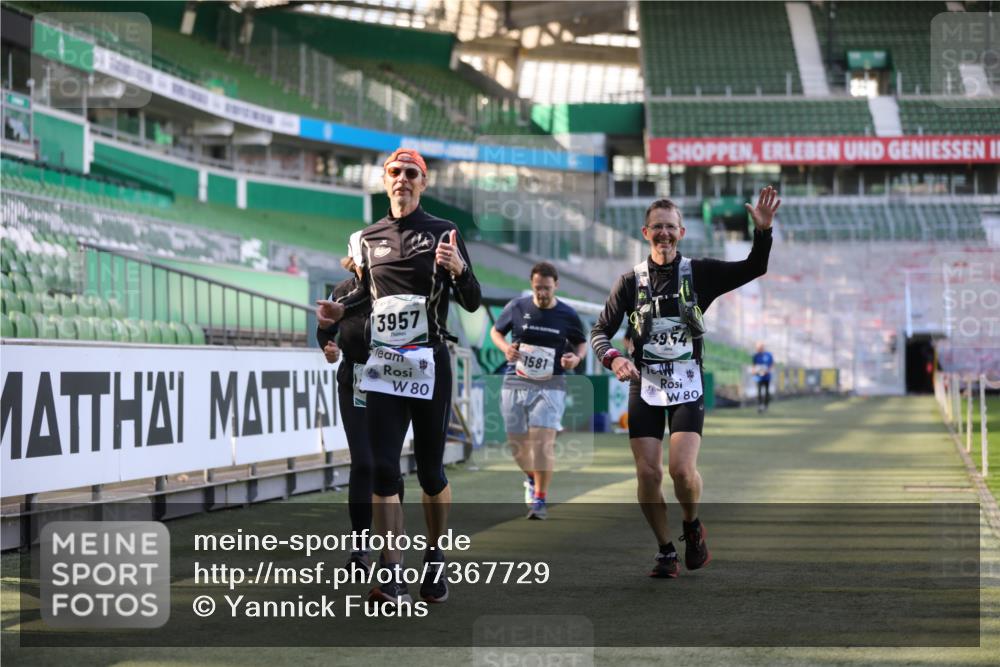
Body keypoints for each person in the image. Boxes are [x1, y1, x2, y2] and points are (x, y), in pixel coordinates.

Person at [316, 148, 481, 605]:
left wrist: (459, 270)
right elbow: (366, 298)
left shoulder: (444, 233)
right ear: (384, 179)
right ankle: (391, 571)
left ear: (423, 182)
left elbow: (472, 300)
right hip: (384, 367)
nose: (402, 179)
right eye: (395, 172)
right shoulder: (368, 238)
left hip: (429, 363)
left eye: (412, 173)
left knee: (430, 472)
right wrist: (339, 309)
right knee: (384, 470)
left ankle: (434, 555)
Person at [590, 187, 779, 578]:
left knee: (680, 470)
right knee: (647, 474)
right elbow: (600, 332)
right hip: (644, 383)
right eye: (657, 227)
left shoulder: (701, 273)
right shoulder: (629, 283)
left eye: (670, 227)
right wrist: (615, 358)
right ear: (645, 233)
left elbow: (754, 268)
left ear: (682, 232)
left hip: (686, 383)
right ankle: (664, 551)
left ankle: (692, 526)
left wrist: (762, 232)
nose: (663, 233)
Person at [316, 233, 404, 573]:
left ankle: (391, 551)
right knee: (364, 463)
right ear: (351, 262)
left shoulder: (393, 288)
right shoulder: (340, 291)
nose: (363, 266)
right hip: (353, 381)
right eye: (357, 261)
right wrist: (328, 348)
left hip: (393, 382)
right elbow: (324, 330)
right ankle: (359, 548)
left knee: (387, 465)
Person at [489, 262, 587, 520]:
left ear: (556, 285)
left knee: (543, 444)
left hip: (551, 382)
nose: (542, 293)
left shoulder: (567, 313)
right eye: (537, 288)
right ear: (531, 285)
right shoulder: (518, 307)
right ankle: (532, 478)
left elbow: (580, 343)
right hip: (516, 379)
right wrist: (505, 349)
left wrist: (575, 359)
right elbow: (496, 331)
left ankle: (540, 500)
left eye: (546, 288)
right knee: (516, 445)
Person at [752, 342, 774, 413]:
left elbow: (771, 365)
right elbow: (754, 366)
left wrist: (767, 371)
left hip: (767, 377)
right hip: (758, 377)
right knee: (759, 392)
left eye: (759, 347)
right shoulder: (755, 356)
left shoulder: (768, 355)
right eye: (757, 347)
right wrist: (754, 371)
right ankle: (760, 406)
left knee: (767, 392)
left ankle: (766, 406)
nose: (758, 349)